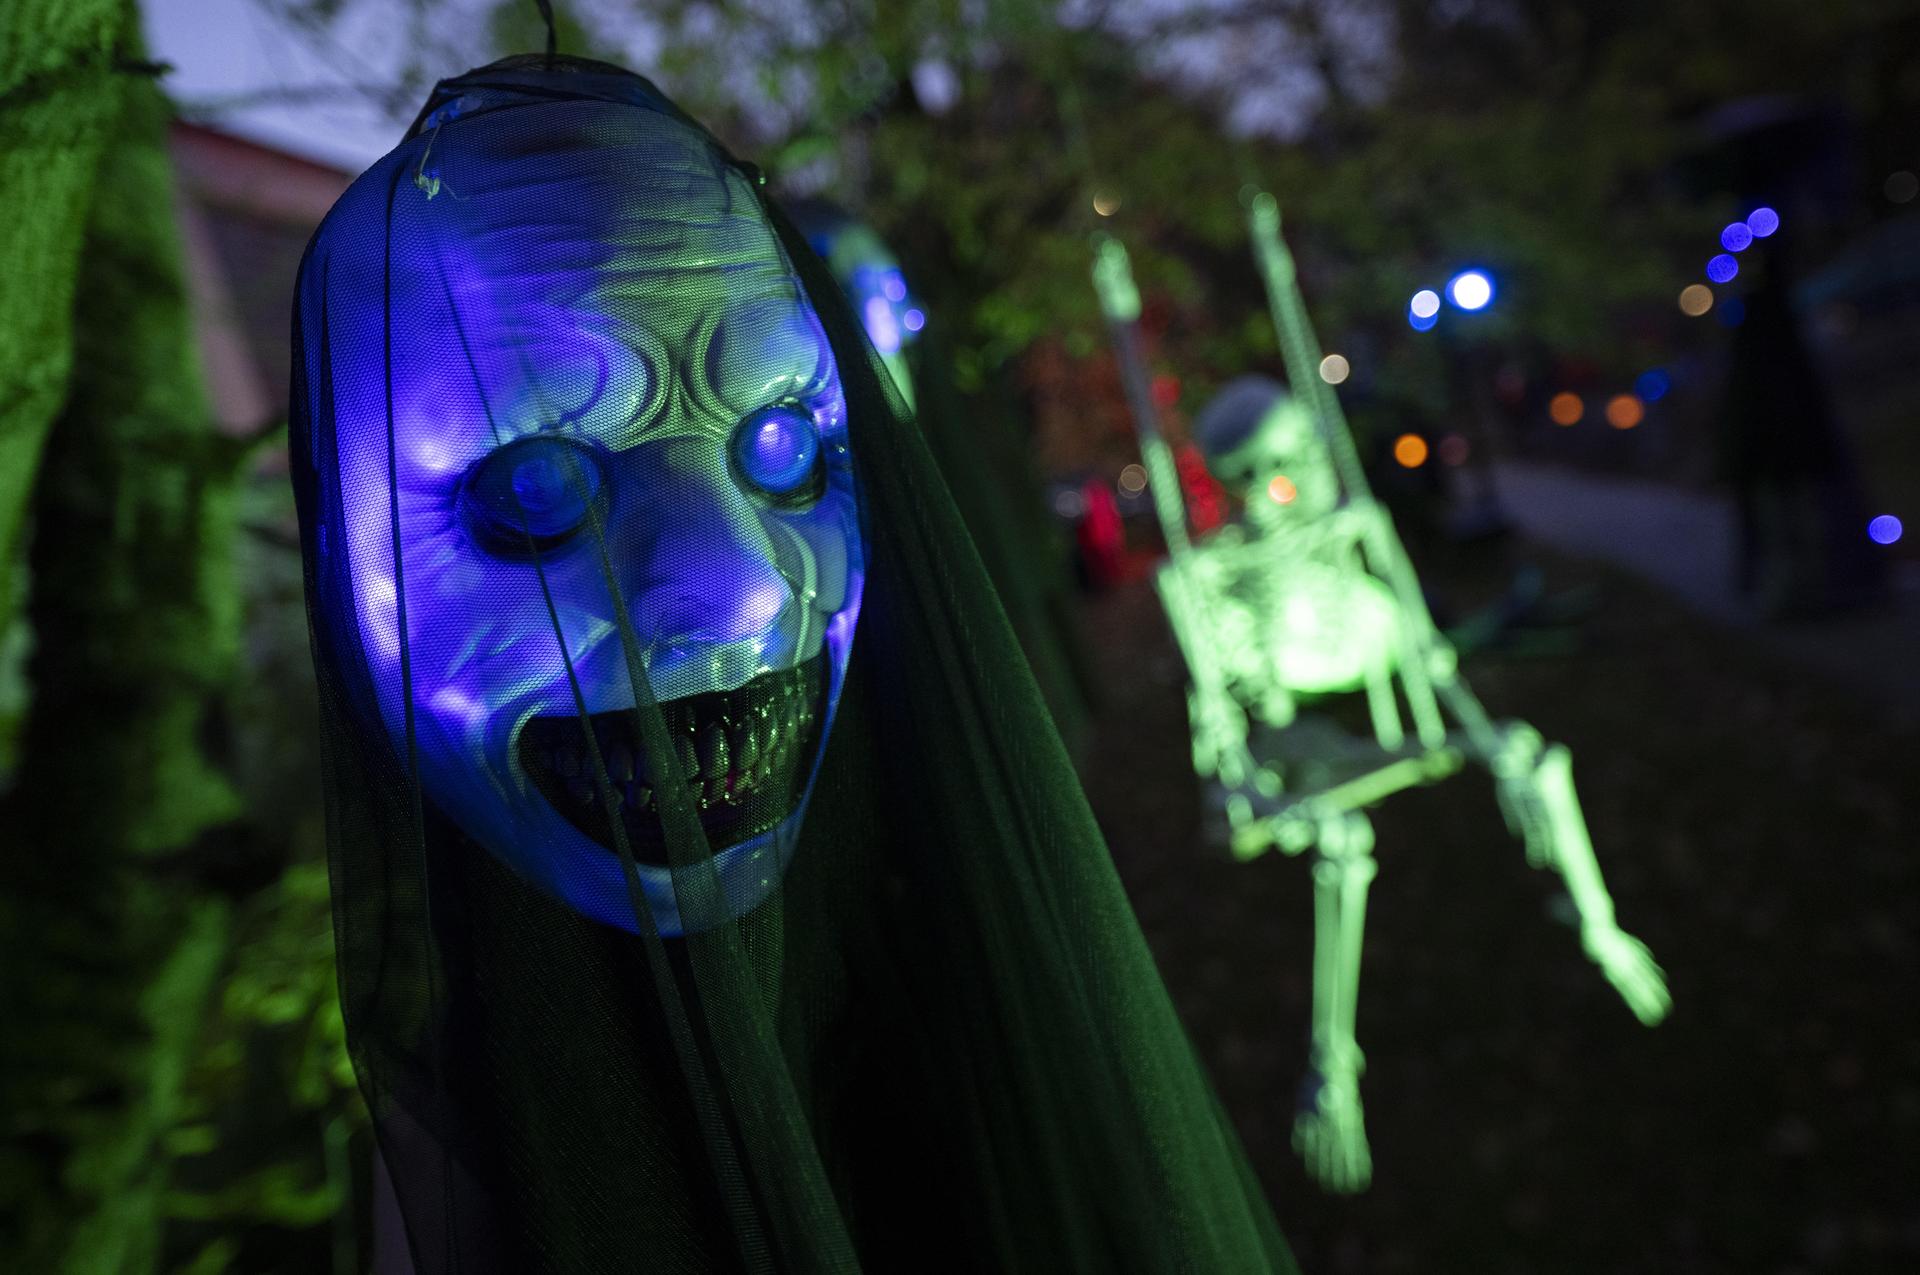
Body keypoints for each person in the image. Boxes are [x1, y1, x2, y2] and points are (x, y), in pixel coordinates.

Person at [290, 53, 1295, 1273]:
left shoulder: (972, 983)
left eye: (782, 446)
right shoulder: (465, 1201)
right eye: (534, 488)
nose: (745, 592)